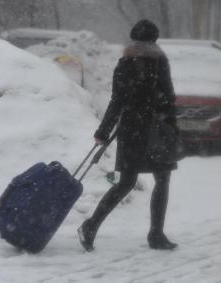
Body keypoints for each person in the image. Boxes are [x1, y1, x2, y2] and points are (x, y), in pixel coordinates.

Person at [78, 19, 178, 251]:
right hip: (158, 129)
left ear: (133, 39)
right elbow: (169, 97)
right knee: (162, 179)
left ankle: (90, 226)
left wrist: (103, 132)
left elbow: (117, 101)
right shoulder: (159, 61)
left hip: (132, 130)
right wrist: (167, 119)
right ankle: (156, 234)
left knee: (126, 183)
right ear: (155, 39)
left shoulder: (125, 62)